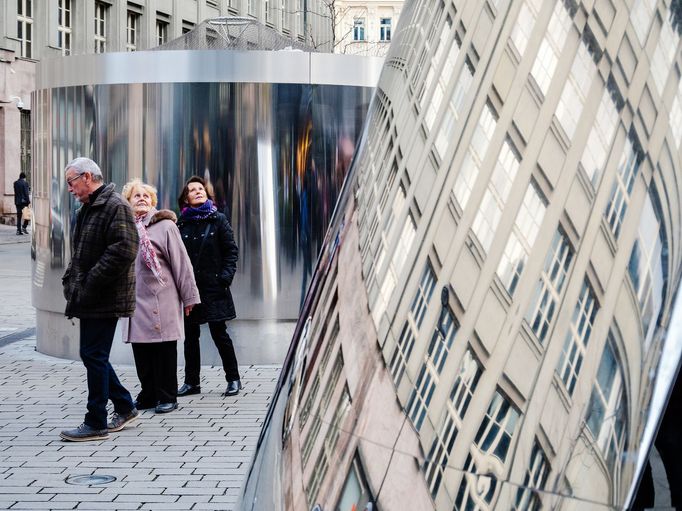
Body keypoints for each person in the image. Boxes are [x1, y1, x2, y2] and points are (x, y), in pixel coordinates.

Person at [60, 157, 140, 442]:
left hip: (104, 295)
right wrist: (73, 279)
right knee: (92, 354)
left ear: (87, 177)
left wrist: (90, 282)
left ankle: (96, 421)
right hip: (91, 294)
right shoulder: (89, 207)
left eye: (71, 181)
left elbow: (125, 249)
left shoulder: (115, 205)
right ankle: (125, 406)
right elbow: (81, 252)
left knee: (93, 355)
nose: (69, 187)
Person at [121, 179, 200, 413]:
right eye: (137, 196)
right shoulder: (125, 227)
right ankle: (148, 393)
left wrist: (190, 297)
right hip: (135, 299)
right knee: (141, 351)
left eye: (146, 196)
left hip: (162, 297)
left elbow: (182, 264)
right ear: (128, 202)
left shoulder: (165, 226)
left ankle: (167, 395)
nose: (142, 199)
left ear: (153, 201)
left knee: (164, 350)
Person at [176, 176, 242, 397]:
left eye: (200, 188)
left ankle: (233, 379)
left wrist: (225, 278)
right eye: (192, 189)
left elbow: (231, 251)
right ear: (186, 198)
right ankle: (192, 383)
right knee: (190, 337)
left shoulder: (218, 219)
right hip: (190, 289)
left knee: (219, 334)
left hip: (214, 287)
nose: (197, 191)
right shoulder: (180, 223)